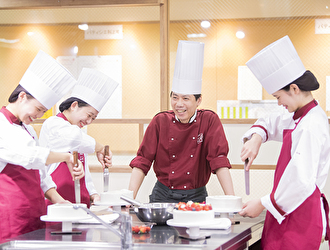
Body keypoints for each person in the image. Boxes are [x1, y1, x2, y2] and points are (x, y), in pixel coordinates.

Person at [239, 35, 330, 249]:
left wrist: (261, 204)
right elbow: (270, 121)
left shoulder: (311, 124)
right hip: (285, 212)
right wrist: (256, 139)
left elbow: (300, 180)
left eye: (278, 97)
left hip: (300, 216)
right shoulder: (299, 114)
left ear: (295, 89)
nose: (279, 103)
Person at [129, 40, 235, 203]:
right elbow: (143, 160)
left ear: (198, 101)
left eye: (186, 98)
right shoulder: (160, 121)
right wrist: (129, 198)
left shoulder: (208, 120)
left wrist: (231, 199)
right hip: (162, 197)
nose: (179, 104)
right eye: (175, 97)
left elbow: (219, 160)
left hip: (197, 197)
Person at [0, 50, 85, 243]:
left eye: (44, 112)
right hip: (10, 217)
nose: (38, 116)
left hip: (36, 214)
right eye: (39, 109)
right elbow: (31, 156)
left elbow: (43, 176)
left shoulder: (28, 130)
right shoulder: (1, 125)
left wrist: (60, 201)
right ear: (22, 96)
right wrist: (66, 157)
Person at [39, 68, 118, 207]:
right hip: (58, 202)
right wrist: (99, 148)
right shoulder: (53, 124)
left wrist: (93, 194)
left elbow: (84, 171)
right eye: (89, 115)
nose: (89, 121)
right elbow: (72, 139)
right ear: (74, 105)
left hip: (81, 202)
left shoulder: (80, 134)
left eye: (93, 118)